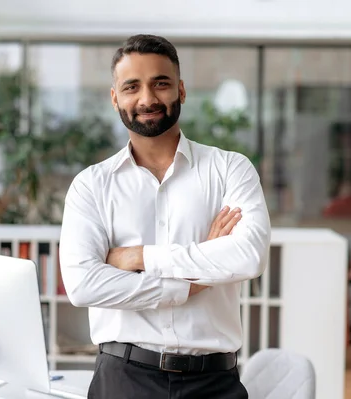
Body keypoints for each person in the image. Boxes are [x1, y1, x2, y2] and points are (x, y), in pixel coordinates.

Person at [58, 34, 271, 399]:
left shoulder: (230, 170)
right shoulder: (91, 186)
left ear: (181, 90)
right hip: (123, 380)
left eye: (161, 84)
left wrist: (139, 257)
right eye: (132, 87)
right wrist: (192, 280)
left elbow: (248, 256)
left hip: (214, 384)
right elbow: (83, 284)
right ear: (115, 98)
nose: (147, 99)